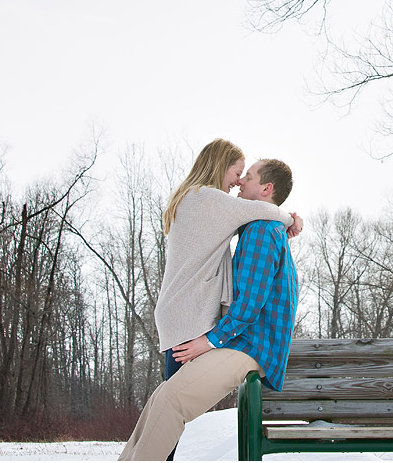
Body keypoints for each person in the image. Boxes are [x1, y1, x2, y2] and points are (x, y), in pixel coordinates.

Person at [119, 156, 300, 461]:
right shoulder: (260, 228)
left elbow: (250, 305)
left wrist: (210, 340)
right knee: (161, 398)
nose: (241, 181)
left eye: (250, 176)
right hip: (243, 344)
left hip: (248, 347)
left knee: (171, 403)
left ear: (266, 188)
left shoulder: (261, 231)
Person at [151, 139, 302, 393]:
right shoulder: (210, 199)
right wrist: (292, 221)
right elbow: (263, 210)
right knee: (175, 398)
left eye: (244, 175)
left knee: (174, 396)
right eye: (236, 173)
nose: (238, 181)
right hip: (189, 314)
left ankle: (160, 432)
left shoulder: (195, 198)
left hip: (181, 310)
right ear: (221, 167)